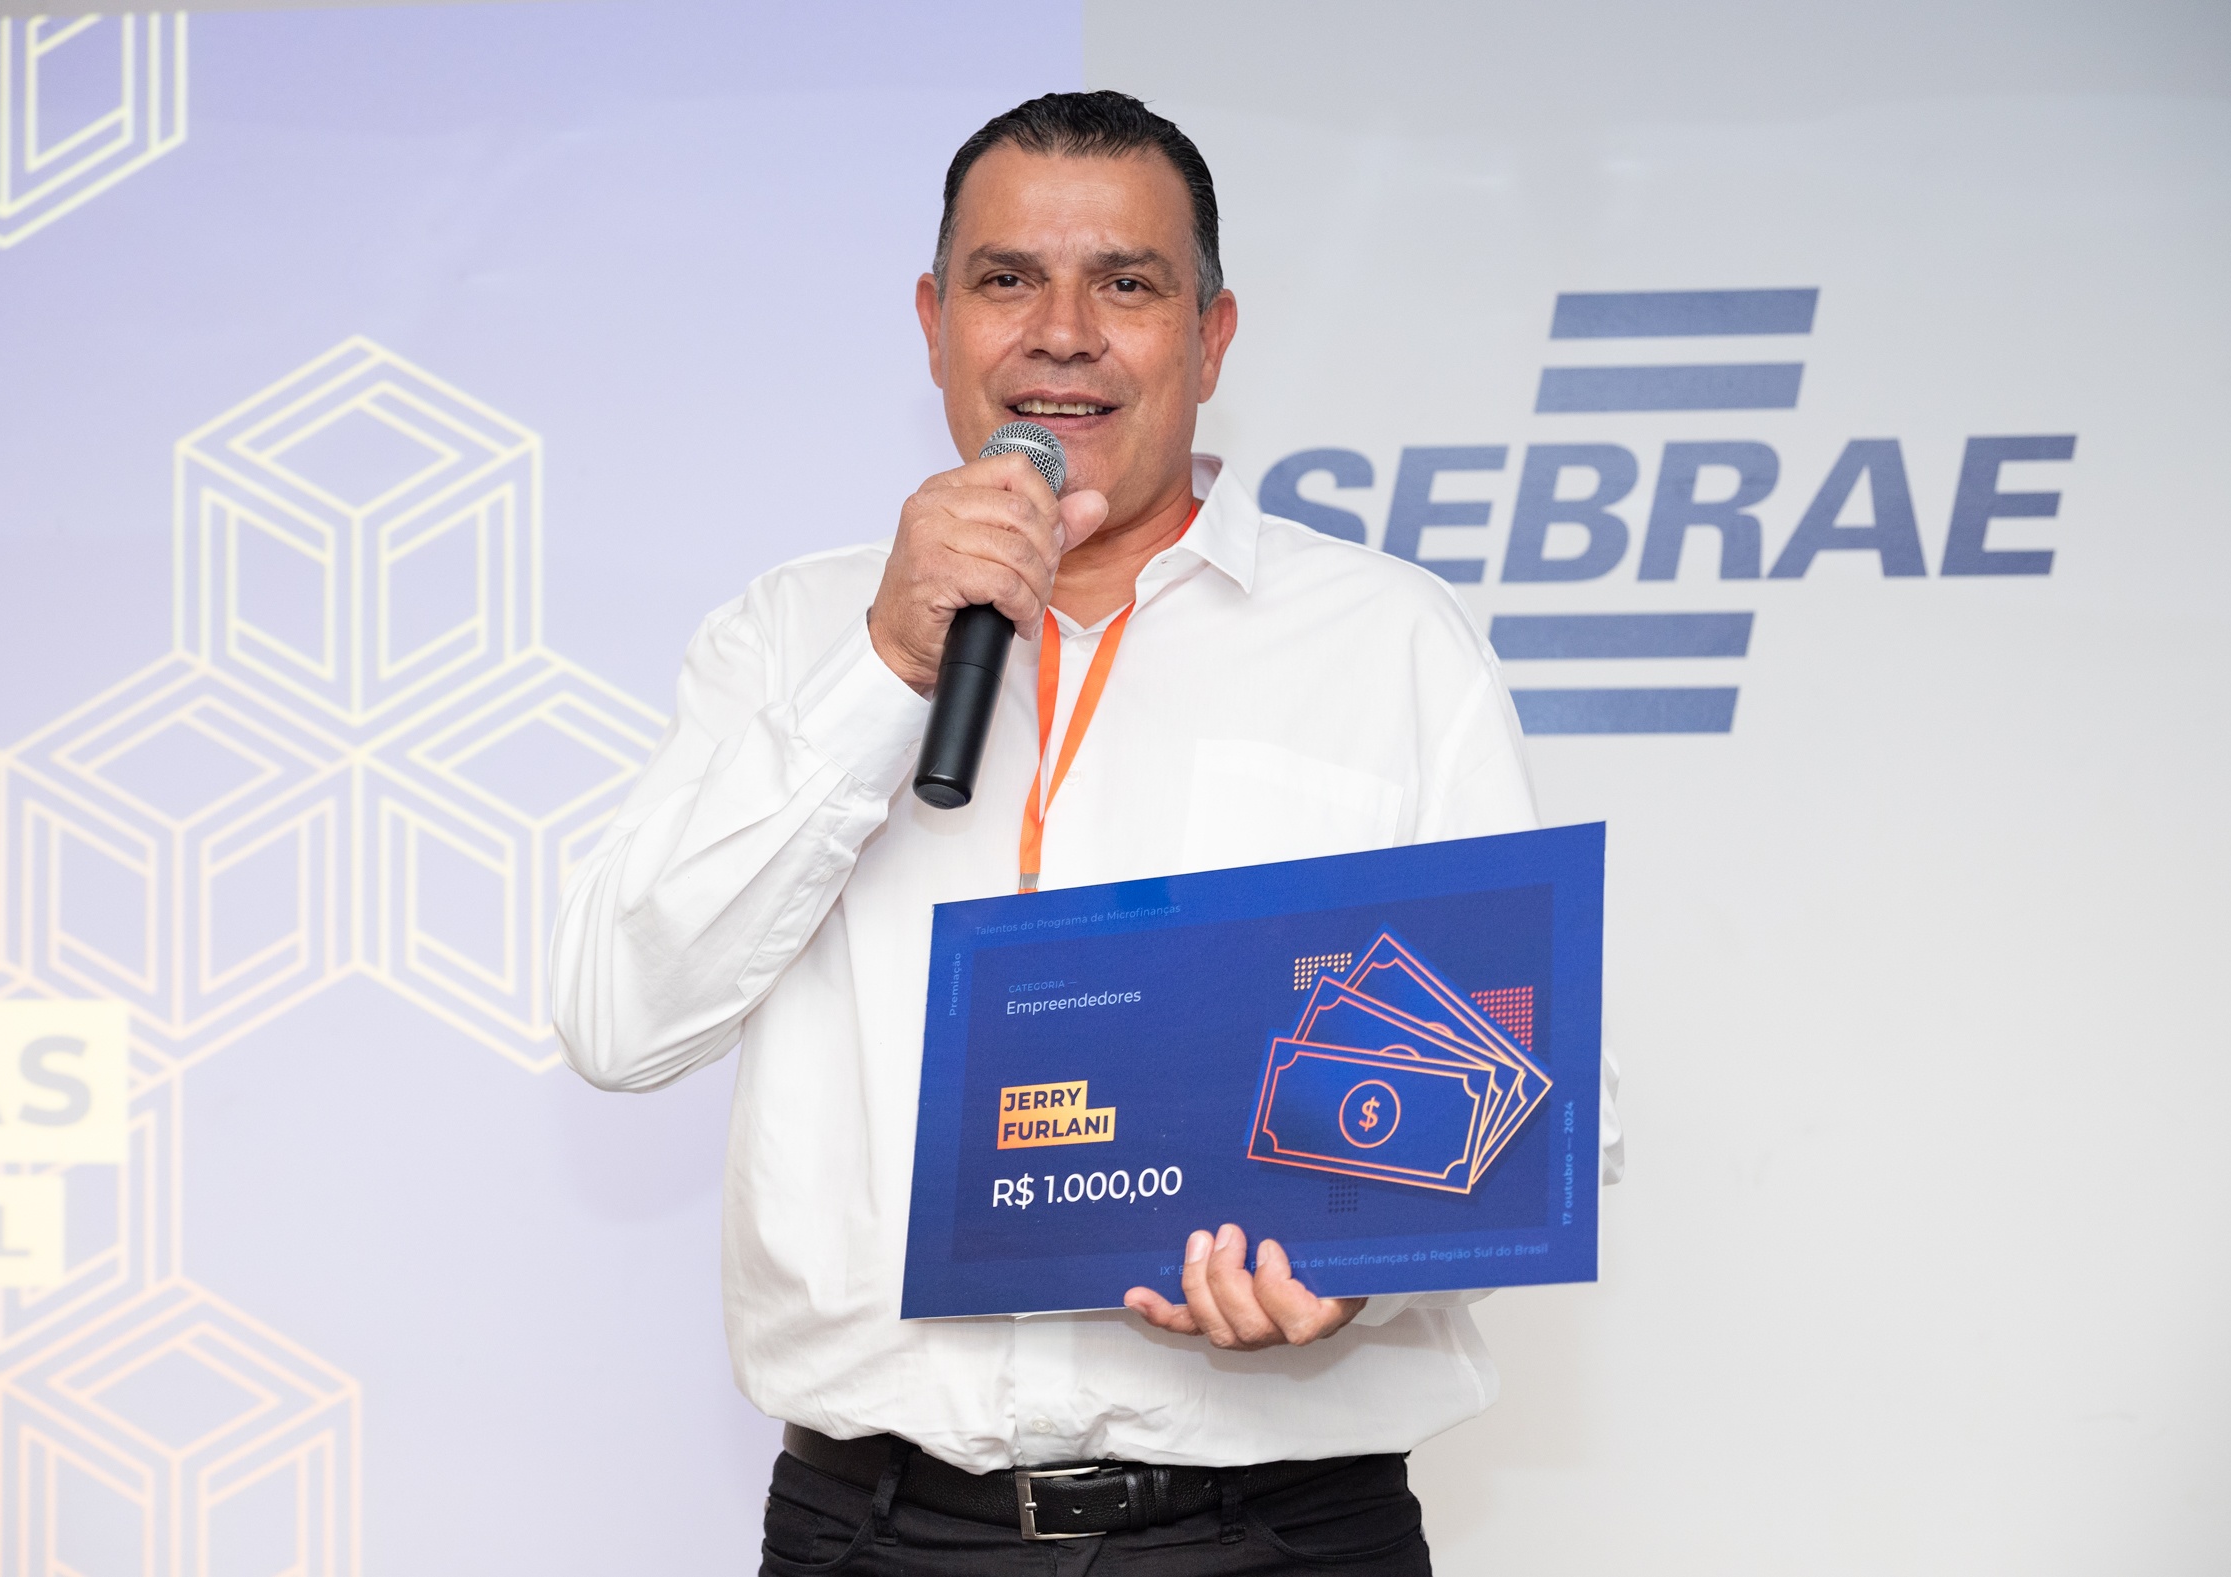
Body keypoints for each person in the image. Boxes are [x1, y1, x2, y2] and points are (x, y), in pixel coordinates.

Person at [552, 90, 1620, 1575]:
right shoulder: (789, 635)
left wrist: (1357, 1269)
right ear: (933, 321)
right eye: (1008, 279)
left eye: (1125, 282)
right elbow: (619, 1019)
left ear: (1211, 335)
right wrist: (885, 664)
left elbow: (1553, 1101)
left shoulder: (1387, 645)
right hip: (878, 1534)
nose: (1062, 334)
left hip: (1279, 1531)